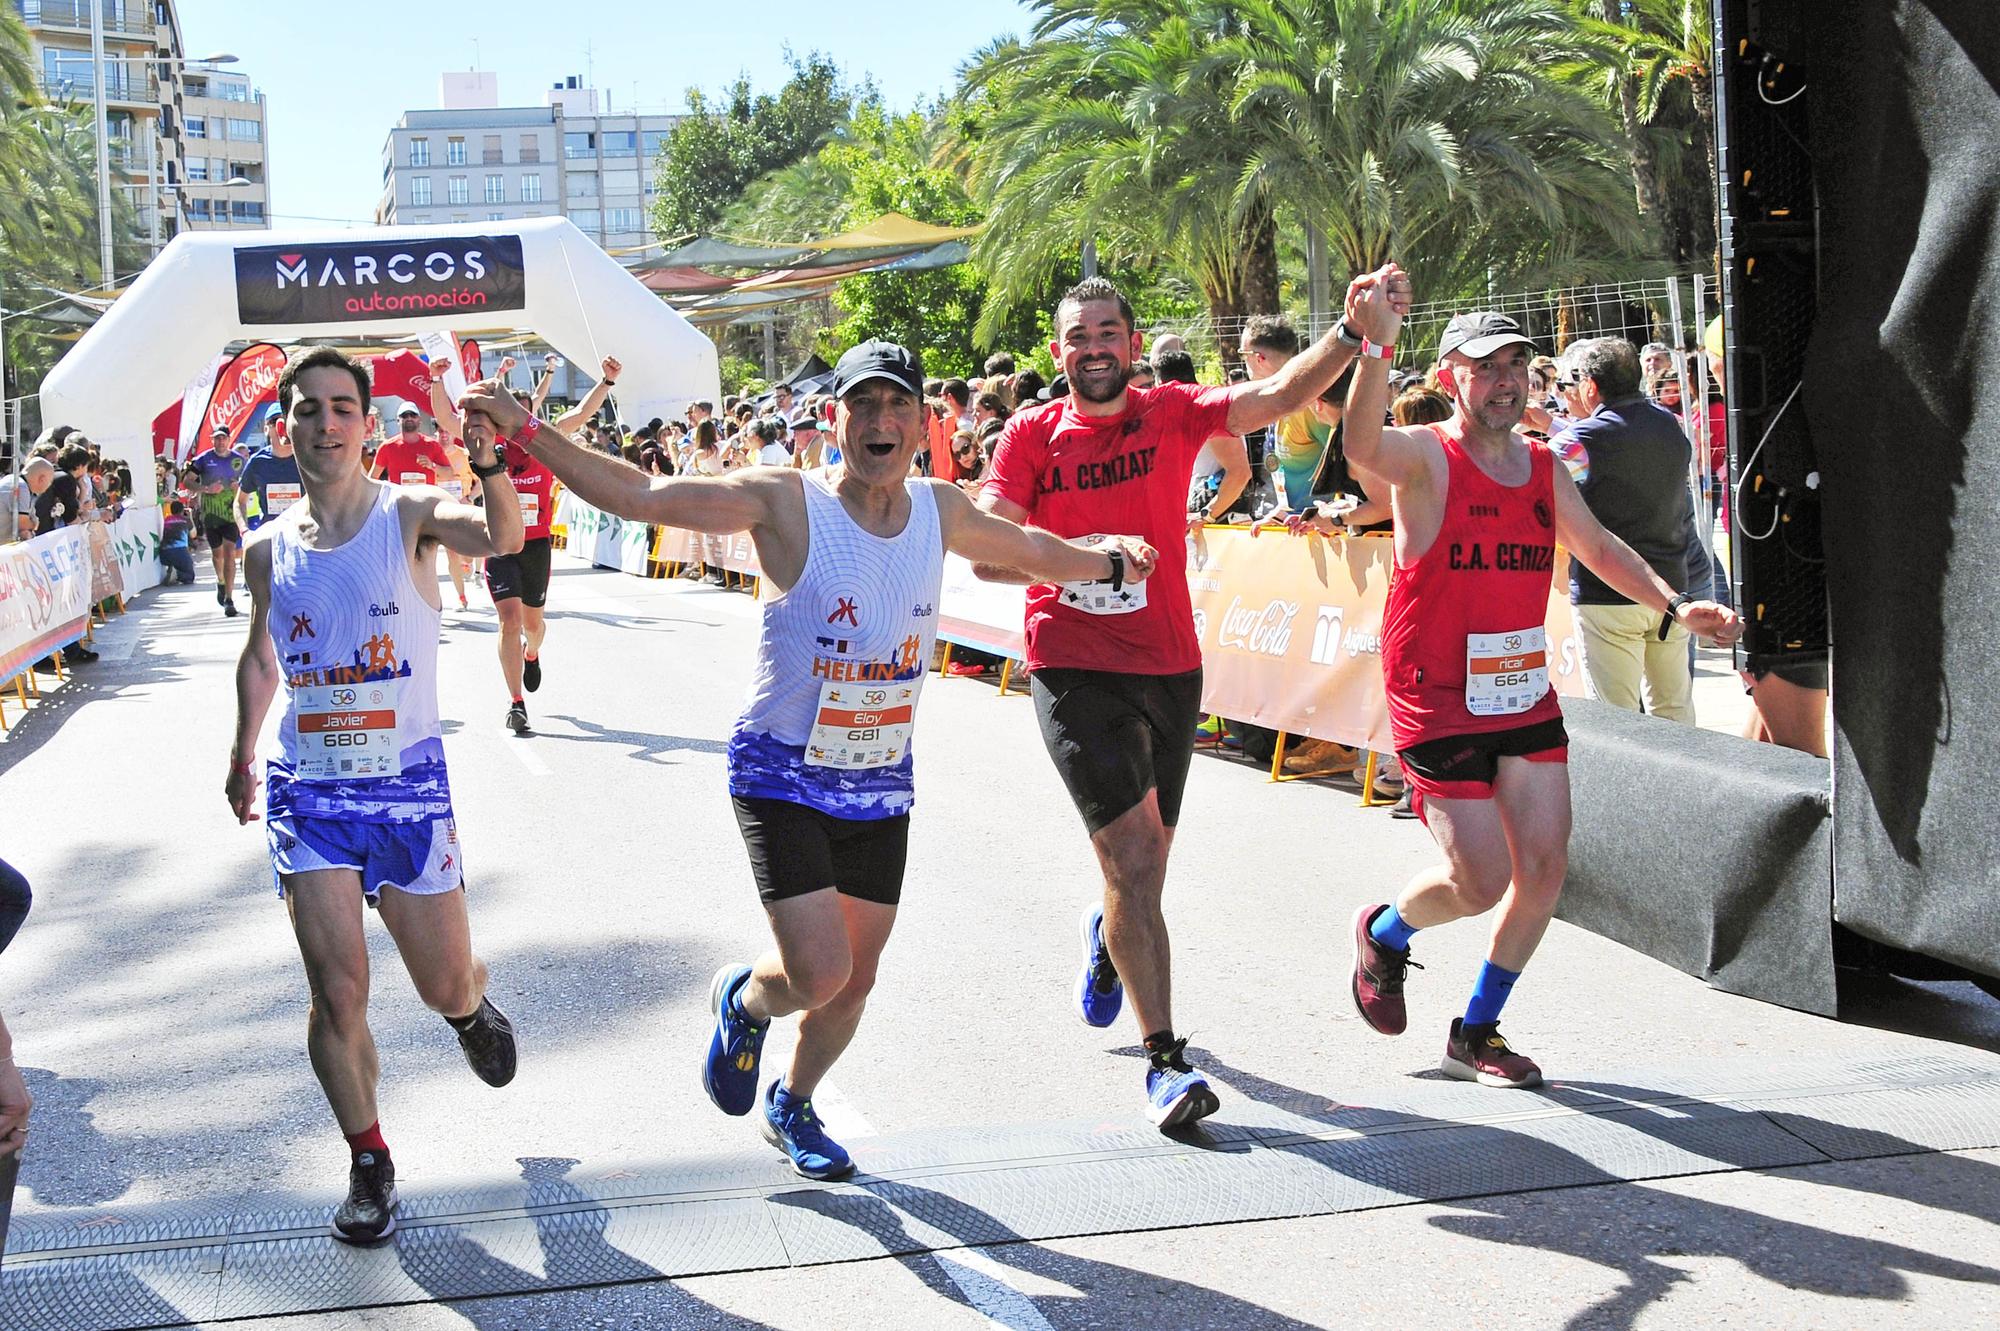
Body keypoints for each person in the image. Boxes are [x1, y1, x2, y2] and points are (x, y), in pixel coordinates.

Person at [463, 340, 1157, 1179]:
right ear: (833, 421)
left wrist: (1108, 561)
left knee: (853, 985)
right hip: (781, 774)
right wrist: (525, 430)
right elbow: (642, 494)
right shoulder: (786, 503)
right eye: (862, 405)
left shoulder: (941, 507)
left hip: (879, 780)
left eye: (898, 406)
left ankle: (792, 1101)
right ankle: (746, 998)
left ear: (924, 426)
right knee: (818, 971)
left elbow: (1031, 549)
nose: (881, 422)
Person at [977, 274, 1382, 1128]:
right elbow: (986, 551)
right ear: (1060, 352)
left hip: (1169, 664)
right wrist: (1087, 560)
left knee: (1146, 866)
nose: (1093, 348)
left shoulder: (1172, 411)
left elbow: (1276, 394)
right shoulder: (1030, 435)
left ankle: (1108, 933)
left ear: (1131, 342)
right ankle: (1165, 1060)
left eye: (1107, 333)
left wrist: (1350, 330)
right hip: (1073, 664)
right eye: (1077, 336)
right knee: (1131, 858)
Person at [1339, 287, 1739, 1089]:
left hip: (1518, 689)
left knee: (1546, 869)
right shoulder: (1423, 456)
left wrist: (1672, 603)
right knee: (1479, 881)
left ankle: (1476, 1031)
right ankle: (1384, 933)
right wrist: (1375, 344)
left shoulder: (1544, 463)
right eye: (1485, 368)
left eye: (1516, 364)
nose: (1506, 381)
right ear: (1451, 378)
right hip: (1436, 692)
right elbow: (1357, 443)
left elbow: (1594, 543)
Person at [226, 346, 525, 1244]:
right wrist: (243, 751)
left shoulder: (411, 515)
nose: (326, 424)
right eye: (308, 409)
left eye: (342, 407)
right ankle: (369, 1159)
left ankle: (470, 1006)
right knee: (336, 991)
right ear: (287, 428)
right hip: (307, 792)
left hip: (406, 791)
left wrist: (491, 459)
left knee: (438, 981)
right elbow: (261, 653)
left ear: (364, 424)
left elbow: (503, 535)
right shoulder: (266, 550)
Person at [1554, 337, 1699, 724]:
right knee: (1675, 711)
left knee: (1616, 721)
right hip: (1671, 587)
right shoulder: (1669, 426)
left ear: (1590, 386)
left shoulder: (1581, 441)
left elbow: (1540, 480)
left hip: (1608, 594)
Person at [193, 429, 247, 616]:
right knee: (218, 555)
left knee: (230, 553)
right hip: (211, 515)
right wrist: (206, 489)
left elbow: (250, 484)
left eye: (224, 438)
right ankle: (221, 581)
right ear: (212, 440)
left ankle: (229, 599)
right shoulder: (202, 460)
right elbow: (187, 481)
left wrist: (238, 488)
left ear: (230, 440)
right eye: (217, 438)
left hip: (232, 514)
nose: (221, 441)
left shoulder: (239, 460)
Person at [237, 404, 304, 533]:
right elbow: (240, 501)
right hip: (271, 536)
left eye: (286, 419)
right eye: (276, 421)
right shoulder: (258, 462)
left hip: (303, 535)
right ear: (266, 429)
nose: (282, 426)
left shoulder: (307, 459)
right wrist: (245, 531)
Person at [370, 405, 453, 487]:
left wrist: (432, 466)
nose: (409, 418)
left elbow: (449, 474)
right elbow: (372, 478)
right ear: (398, 420)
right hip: (399, 499)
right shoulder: (387, 447)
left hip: (426, 498)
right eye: (405, 416)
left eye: (413, 415)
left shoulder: (433, 445)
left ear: (419, 420)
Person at [1, 459, 53, 544]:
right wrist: (34, 524)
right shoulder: (21, 487)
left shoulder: (13, 479)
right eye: (50, 481)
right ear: (42, 479)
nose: (49, 485)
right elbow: (23, 524)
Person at [160, 500, 198, 584]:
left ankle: (172, 567)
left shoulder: (166, 520)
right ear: (182, 510)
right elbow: (193, 535)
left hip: (164, 553)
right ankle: (177, 574)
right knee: (189, 577)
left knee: (176, 560)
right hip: (180, 551)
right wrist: (190, 517)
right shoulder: (185, 520)